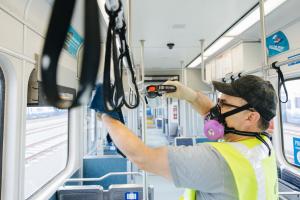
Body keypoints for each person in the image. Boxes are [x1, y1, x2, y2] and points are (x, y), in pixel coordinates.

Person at [100, 75, 278, 200]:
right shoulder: (262, 144)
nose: (216, 110)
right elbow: (213, 113)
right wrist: (190, 96)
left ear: (251, 117)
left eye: (223, 104)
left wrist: (106, 116)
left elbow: (143, 157)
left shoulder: (218, 160)